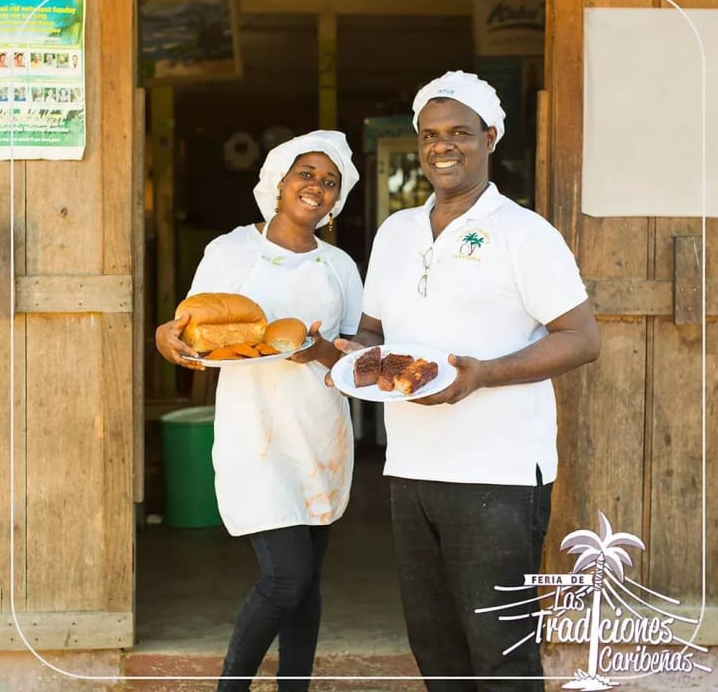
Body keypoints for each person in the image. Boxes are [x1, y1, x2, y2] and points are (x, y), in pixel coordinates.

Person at [334, 71, 600, 691]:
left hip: (498, 472)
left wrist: (484, 374)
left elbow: (581, 338)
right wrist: (356, 360)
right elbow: (373, 331)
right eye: (430, 135)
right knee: (435, 644)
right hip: (412, 466)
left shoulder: (524, 233)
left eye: (459, 132)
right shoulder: (396, 232)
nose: (442, 146)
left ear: (490, 138)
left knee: (501, 653)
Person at [155, 130, 362, 692]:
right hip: (255, 434)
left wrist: (321, 351)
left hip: (319, 429)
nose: (317, 187)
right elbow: (188, 330)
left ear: (337, 198)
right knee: (285, 578)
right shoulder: (230, 251)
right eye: (306, 174)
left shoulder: (340, 265)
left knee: (307, 581)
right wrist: (165, 338)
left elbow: (355, 357)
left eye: (330, 181)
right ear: (278, 182)